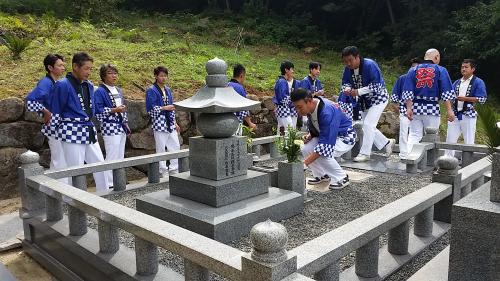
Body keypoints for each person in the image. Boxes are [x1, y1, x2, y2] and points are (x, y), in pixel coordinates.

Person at [49, 52, 108, 190]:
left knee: (100, 164)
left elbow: (92, 109)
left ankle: (105, 196)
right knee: (75, 169)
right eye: (86, 68)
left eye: (90, 69)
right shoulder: (62, 85)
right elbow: (56, 110)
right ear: (75, 66)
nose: (89, 72)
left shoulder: (89, 85)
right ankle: (76, 202)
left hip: (88, 127)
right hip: (71, 129)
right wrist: (53, 133)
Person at [292, 88, 356, 189]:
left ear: (309, 101)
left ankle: (342, 178)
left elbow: (325, 147)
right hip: (329, 136)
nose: (298, 111)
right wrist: (310, 135)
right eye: (296, 108)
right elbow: (317, 125)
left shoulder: (327, 111)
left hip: (345, 137)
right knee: (306, 148)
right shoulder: (311, 107)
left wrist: (304, 164)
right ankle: (321, 175)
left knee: (323, 153)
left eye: (299, 107)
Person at [341, 46, 395, 162]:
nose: (348, 64)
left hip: (378, 98)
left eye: (350, 60)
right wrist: (347, 89)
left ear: (357, 57)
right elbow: (345, 82)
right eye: (345, 61)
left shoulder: (370, 65)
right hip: (364, 101)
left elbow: (377, 85)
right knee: (367, 126)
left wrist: (357, 91)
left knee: (368, 125)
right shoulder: (347, 69)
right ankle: (387, 142)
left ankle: (365, 153)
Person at [26, 54, 69, 183]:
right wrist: (45, 112)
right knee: (59, 157)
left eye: (63, 65)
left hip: (61, 123)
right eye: (60, 65)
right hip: (53, 123)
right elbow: (30, 101)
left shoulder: (58, 82)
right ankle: (59, 186)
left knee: (61, 157)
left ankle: (58, 185)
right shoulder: (46, 82)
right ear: (50, 67)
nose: (63, 68)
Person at [402, 48, 456, 154]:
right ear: (436, 57)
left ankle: (409, 157)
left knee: (414, 134)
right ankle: (430, 162)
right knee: (431, 135)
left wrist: (408, 108)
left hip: (415, 107)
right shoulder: (441, 70)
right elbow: (446, 92)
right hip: (432, 108)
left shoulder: (413, 70)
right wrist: (449, 110)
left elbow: (408, 91)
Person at [94, 64, 130, 188]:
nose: (114, 76)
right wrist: (114, 110)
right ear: (103, 76)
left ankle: (119, 179)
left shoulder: (119, 90)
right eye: (110, 73)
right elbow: (97, 111)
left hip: (121, 125)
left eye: (115, 73)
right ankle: (109, 182)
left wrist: (125, 122)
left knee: (120, 154)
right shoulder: (100, 91)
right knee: (112, 154)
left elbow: (122, 108)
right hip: (109, 126)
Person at [445, 59, 487, 157]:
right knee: (450, 140)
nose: (463, 69)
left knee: (469, 141)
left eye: (466, 67)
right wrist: (449, 110)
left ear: (473, 69)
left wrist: (465, 98)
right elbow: (450, 97)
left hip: (469, 115)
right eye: (462, 67)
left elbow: (482, 98)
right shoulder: (457, 82)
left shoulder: (478, 82)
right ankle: (447, 162)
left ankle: (468, 164)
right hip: (455, 114)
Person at [145, 66, 180, 177]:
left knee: (175, 146)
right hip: (159, 122)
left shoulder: (168, 90)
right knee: (161, 148)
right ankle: (162, 171)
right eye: (161, 76)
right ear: (155, 76)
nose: (163, 78)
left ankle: (174, 169)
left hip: (170, 122)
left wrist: (175, 122)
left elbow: (172, 107)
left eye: (165, 76)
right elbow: (150, 109)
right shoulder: (151, 90)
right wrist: (164, 108)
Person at [391, 58, 420, 159]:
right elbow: (395, 96)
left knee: (417, 133)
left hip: (419, 110)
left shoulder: (423, 80)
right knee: (403, 132)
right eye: (412, 67)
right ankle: (403, 154)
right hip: (404, 109)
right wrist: (397, 107)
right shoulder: (403, 78)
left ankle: (414, 153)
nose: (414, 69)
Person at [228, 63, 257, 135]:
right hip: (236, 123)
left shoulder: (226, 85)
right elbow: (244, 109)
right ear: (241, 75)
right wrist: (250, 123)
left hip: (225, 121)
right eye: (244, 76)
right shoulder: (240, 88)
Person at [273, 60, 299, 134]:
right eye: (291, 69)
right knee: (289, 129)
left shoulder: (281, 81)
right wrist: (293, 103)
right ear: (286, 70)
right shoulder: (282, 82)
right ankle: (288, 145)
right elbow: (283, 99)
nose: (293, 71)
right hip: (283, 108)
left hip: (282, 108)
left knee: (282, 129)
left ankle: (280, 144)